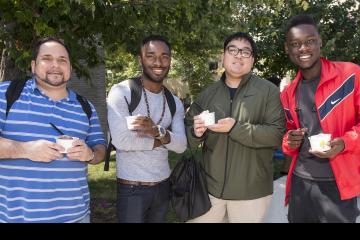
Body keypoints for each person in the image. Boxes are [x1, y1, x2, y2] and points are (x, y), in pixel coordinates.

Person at [0, 37, 106, 223]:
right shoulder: (6, 95)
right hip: (17, 218)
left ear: (70, 68)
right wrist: (25, 149)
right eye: (47, 58)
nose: (55, 65)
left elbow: (100, 150)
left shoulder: (85, 107)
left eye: (62, 60)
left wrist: (89, 154)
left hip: (76, 217)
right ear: (33, 65)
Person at [185, 32, 285, 223]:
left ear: (252, 60)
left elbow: (276, 135)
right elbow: (186, 136)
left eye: (245, 52)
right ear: (223, 56)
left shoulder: (268, 91)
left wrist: (235, 128)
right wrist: (195, 132)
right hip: (208, 192)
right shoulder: (208, 94)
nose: (238, 55)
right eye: (233, 50)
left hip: (251, 195)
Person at [281, 14, 360, 223]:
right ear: (287, 49)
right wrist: (289, 140)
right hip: (301, 184)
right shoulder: (289, 92)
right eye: (295, 44)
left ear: (320, 42)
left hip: (338, 186)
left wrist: (343, 143)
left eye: (309, 41)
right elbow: (288, 137)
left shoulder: (350, 75)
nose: (303, 48)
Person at [107, 35, 187, 223]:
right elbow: (122, 141)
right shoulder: (122, 92)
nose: (158, 62)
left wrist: (158, 131)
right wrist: (164, 140)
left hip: (163, 185)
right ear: (140, 59)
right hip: (133, 188)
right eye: (151, 56)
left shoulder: (174, 102)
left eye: (164, 56)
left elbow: (181, 145)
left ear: (170, 60)